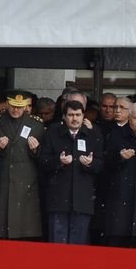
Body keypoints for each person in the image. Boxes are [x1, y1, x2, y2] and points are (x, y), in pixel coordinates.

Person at [38, 101, 103, 244]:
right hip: (58, 199)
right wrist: (59, 162)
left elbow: (101, 164)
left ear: (83, 116)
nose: (75, 119)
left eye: (78, 115)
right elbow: (42, 161)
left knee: (78, 248)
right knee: (57, 246)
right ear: (64, 116)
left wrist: (90, 163)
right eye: (71, 115)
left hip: (83, 200)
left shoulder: (93, 135)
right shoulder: (52, 134)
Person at [0, 90, 44, 240]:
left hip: (26, 179)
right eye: (13, 106)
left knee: (26, 226)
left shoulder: (36, 124)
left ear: (25, 106)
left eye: (19, 107)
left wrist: (35, 149)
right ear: (7, 104)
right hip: (2, 177)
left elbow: (44, 155)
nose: (16, 110)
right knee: (0, 225)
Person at [104, 102, 136, 248]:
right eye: (135, 118)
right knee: (118, 247)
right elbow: (105, 163)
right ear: (129, 117)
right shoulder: (116, 135)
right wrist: (120, 158)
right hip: (120, 200)